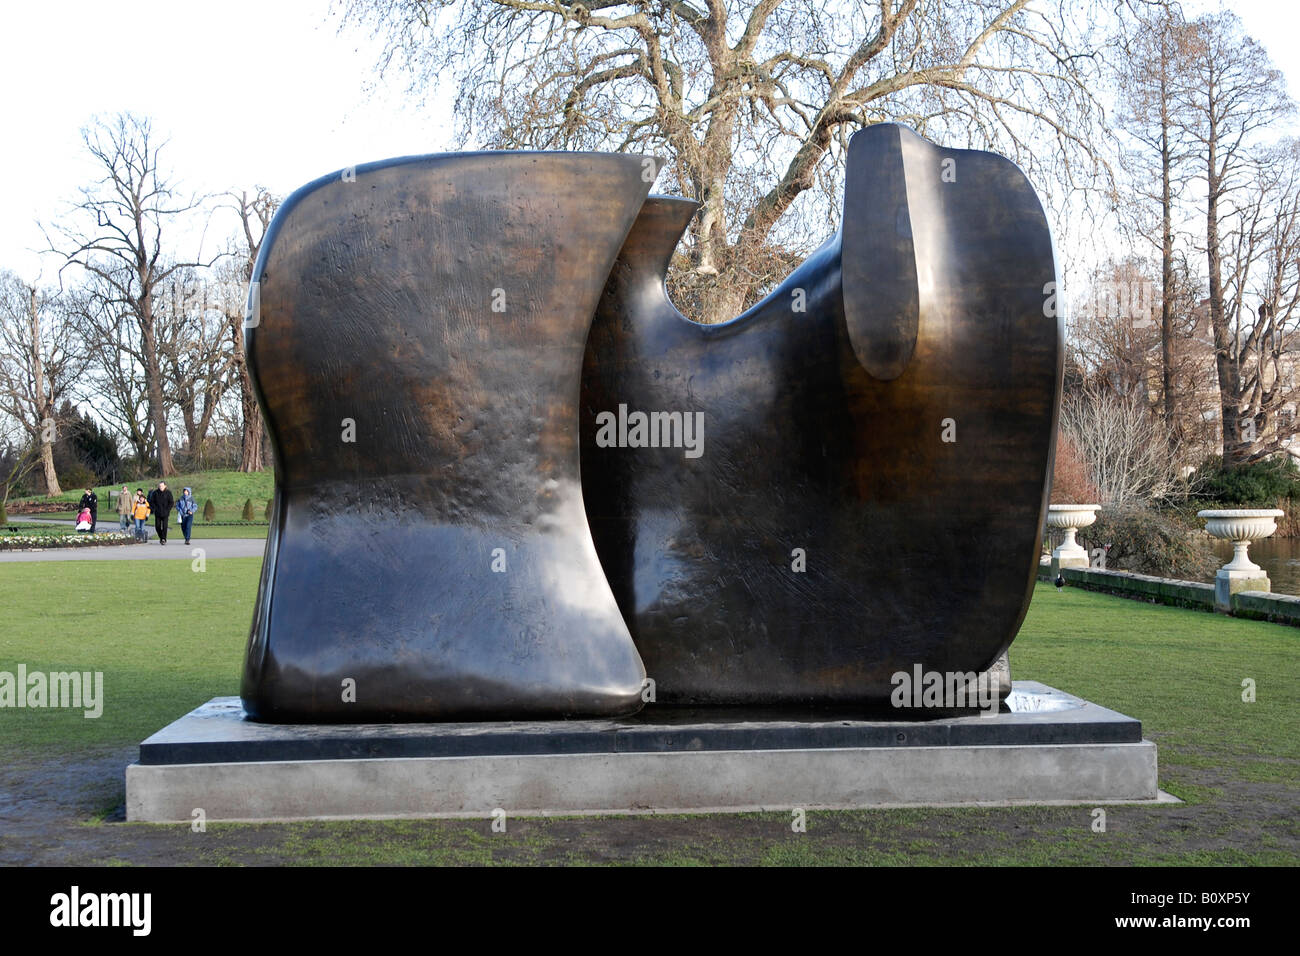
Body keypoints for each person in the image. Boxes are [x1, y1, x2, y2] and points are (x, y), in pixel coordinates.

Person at [147, 481, 174, 545]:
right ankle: (161, 537)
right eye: (159, 486)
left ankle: (163, 539)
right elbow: (152, 502)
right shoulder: (155, 493)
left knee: (165, 526)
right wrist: (154, 509)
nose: (160, 487)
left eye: (161, 486)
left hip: (165, 513)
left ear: (165, 486)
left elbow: (171, 502)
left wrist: (168, 510)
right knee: (157, 527)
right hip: (158, 513)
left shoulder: (168, 493)